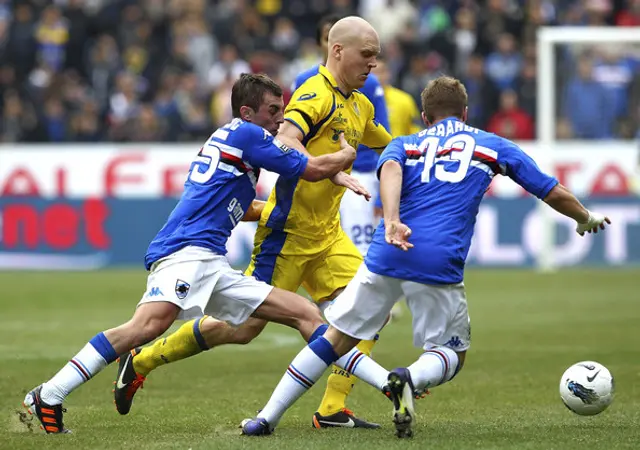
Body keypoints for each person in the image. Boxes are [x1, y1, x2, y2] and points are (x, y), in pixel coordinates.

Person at [241, 76, 611, 438]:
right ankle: (407, 379)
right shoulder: (490, 144)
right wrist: (585, 216)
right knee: (450, 353)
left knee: (333, 339)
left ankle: (265, 418)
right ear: (464, 113)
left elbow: (389, 169)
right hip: (437, 260)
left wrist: (391, 221)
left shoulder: (405, 143)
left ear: (425, 115)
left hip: (386, 252)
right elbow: (549, 189)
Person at [21, 73, 366, 434]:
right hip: (187, 251)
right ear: (247, 113)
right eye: (273, 110)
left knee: (296, 314)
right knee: (147, 326)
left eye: (283, 109)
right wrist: (344, 156)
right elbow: (310, 169)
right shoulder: (250, 135)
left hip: (212, 261)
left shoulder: (231, 140)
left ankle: (385, 384)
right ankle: (50, 394)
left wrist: (280, 212)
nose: (281, 117)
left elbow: (240, 207)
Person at [113, 16, 392, 429]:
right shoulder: (314, 94)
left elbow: (381, 139)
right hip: (288, 235)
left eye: (377, 57)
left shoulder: (360, 102)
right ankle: (142, 359)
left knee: (373, 306)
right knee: (242, 329)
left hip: (328, 235)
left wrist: (420, 149)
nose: (373, 64)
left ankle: (332, 408)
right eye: (367, 55)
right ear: (337, 51)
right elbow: (286, 139)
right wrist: (330, 167)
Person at [293, 14, 390, 256]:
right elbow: (287, 138)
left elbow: (389, 144)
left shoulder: (365, 93)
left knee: (358, 263)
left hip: (359, 178)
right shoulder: (309, 86)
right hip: (313, 191)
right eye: (325, 38)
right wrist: (320, 167)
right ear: (330, 46)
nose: (372, 63)